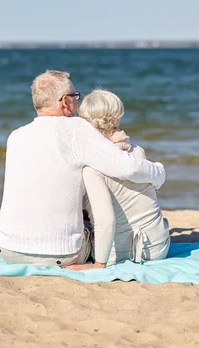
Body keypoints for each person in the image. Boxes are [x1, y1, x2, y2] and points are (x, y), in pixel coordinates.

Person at [0, 70, 166, 267]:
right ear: (65, 102)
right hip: (60, 255)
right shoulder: (77, 129)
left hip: (7, 249)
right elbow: (129, 169)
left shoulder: (15, 137)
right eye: (75, 97)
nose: (76, 103)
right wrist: (159, 173)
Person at [67, 89, 170, 271]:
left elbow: (105, 219)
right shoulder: (137, 151)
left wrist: (99, 264)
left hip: (120, 254)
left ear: (86, 122)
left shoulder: (91, 169)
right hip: (159, 248)